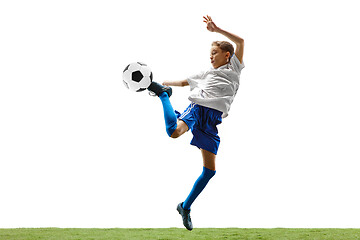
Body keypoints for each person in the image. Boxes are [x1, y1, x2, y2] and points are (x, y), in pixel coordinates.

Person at [147, 15, 245, 231]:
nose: (211, 57)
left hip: (212, 122)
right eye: (209, 54)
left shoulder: (234, 68)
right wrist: (161, 84)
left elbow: (241, 42)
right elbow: (183, 82)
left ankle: (185, 207)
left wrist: (217, 28)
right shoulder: (206, 73)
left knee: (210, 171)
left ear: (227, 55)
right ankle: (164, 97)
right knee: (173, 132)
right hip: (198, 108)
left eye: (214, 53)